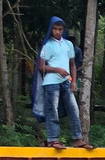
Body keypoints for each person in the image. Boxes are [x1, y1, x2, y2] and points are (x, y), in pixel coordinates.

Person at [38, 16, 92, 150]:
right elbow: (41, 66)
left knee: (74, 109)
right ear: (51, 30)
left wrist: (73, 81)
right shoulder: (47, 45)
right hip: (51, 82)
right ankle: (53, 139)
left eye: (60, 29)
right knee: (52, 110)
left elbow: (72, 64)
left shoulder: (68, 44)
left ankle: (77, 139)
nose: (58, 32)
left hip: (66, 82)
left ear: (63, 30)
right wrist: (56, 69)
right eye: (55, 29)